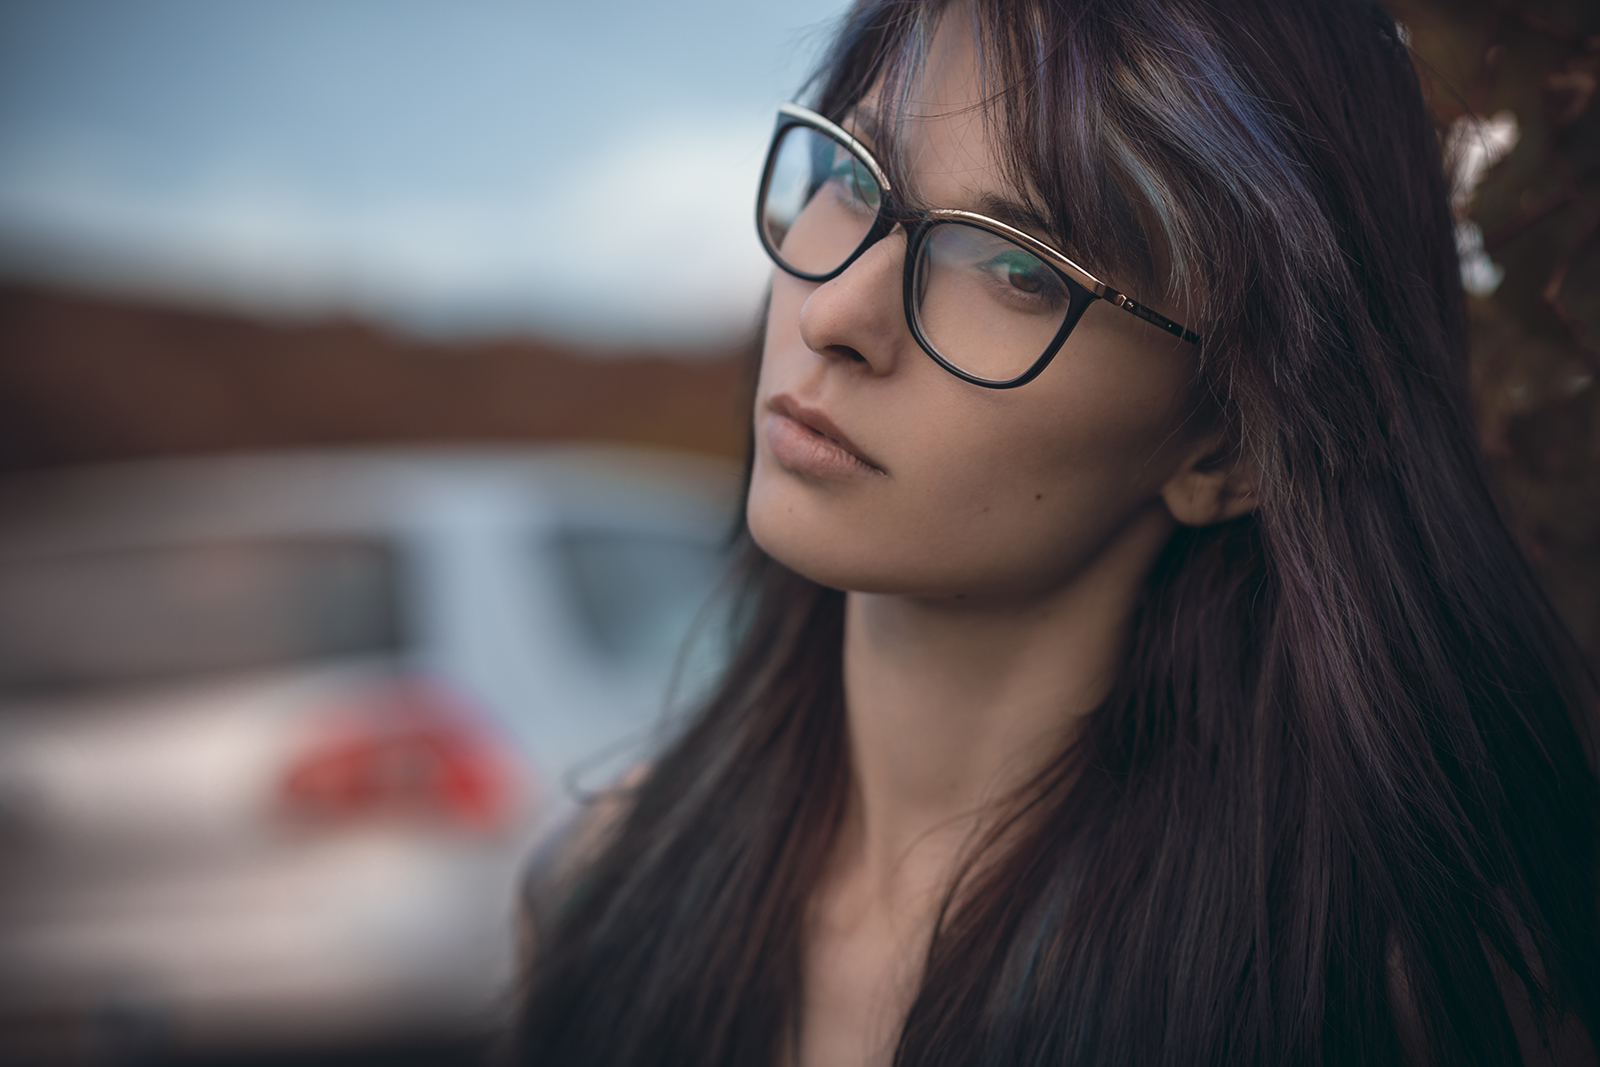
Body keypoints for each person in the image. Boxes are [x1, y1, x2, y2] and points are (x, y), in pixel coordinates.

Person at [513, 0, 1600, 1063]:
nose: (833, 313)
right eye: (854, 177)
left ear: (1226, 449)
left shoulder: (1386, 1009)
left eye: (1019, 267)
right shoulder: (589, 887)